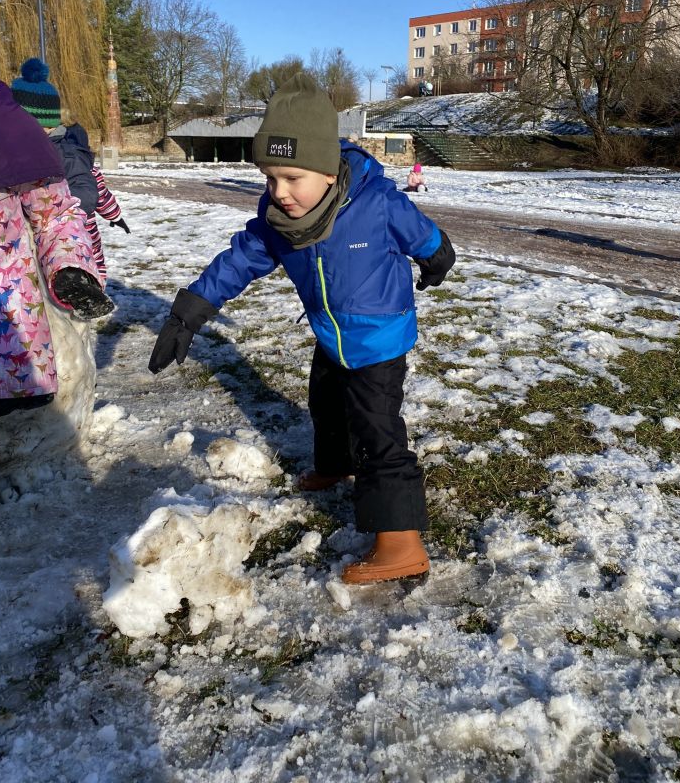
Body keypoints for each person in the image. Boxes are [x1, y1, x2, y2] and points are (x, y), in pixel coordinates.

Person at [149, 74, 455, 584]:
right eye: (270, 178)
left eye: (293, 178)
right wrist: (191, 308)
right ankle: (334, 464)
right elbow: (240, 260)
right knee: (326, 402)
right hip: (331, 333)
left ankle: (401, 540)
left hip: (378, 336)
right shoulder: (276, 221)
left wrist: (436, 255)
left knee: (377, 429)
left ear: (328, 171)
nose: (280, 193)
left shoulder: (376, 203)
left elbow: (420, 233)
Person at [0, 49, 113, 419]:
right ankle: (69, 272)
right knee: (4, 265)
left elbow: (91, 189)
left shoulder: (71, 149)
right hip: (23, 177)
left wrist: (105, 210)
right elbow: (60, 208)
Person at [12, 59, 130, 285]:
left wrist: (114, 215)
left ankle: (85, 290)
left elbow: (94, 191)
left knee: (79, 273)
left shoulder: (67, 154)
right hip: (37, 240)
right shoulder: (15, 155)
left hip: (76, 236)